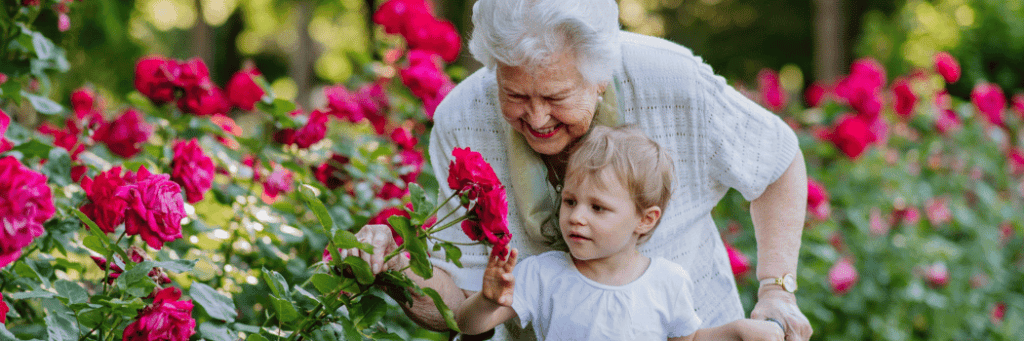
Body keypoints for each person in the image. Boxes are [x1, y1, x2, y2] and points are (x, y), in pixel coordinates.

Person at [339, 0, 813, 340]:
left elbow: (776, 161)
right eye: (516, 95)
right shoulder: (462, 118)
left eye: (556, 96)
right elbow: (462, 303)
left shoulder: (670, 80)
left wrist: (776, 290)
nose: (538, 118)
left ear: (601, 74)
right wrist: (397, 268)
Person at [456, 126, 785, 341]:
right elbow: (469, 325)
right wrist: (487, 301)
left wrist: (739, 331)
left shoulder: (667, 281)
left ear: (645, 219)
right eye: (570, 201)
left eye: (597, 208)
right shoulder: (543, 273)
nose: (576, 217)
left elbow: (691, 339)